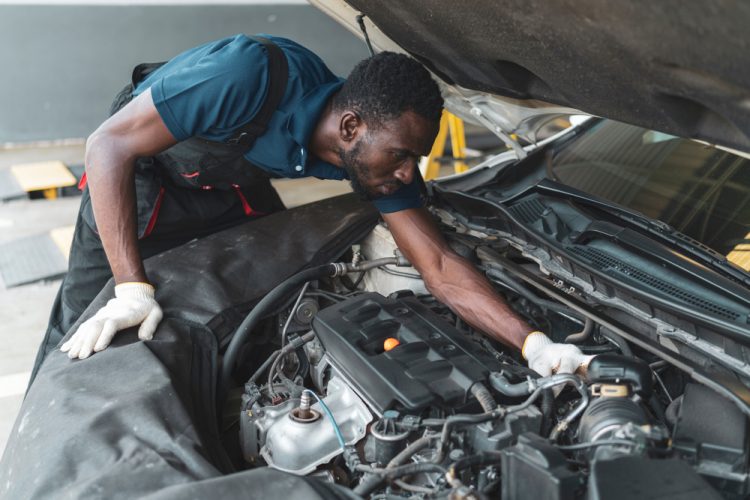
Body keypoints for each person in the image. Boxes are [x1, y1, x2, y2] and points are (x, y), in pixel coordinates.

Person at [31, 34, 590, 383]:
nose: (407, 174)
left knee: (257, 311)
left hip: (230, 185)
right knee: (84, 334)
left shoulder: (371, 157)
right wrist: (131, 287)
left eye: (412, 159)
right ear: (350, 126)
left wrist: (534, 344)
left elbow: (438, 265)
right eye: (401, 155)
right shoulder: (246, 74)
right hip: (145, 176)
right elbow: (109, 144)